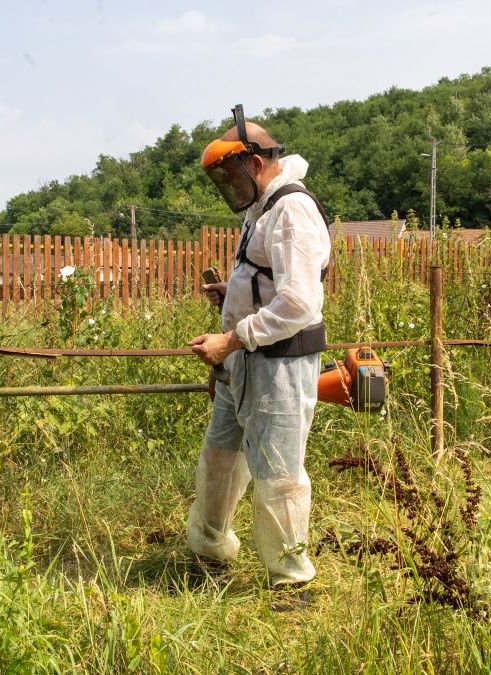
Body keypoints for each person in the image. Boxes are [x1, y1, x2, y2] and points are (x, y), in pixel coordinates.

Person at [186, 106, 331, 590]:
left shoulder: (292, 209)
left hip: (280, 364)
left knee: (278, 473)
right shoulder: (261, 208)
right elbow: (271, 284)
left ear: (256, 161)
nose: (228, 182)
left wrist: (229, 339)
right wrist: (234, 295)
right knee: (221, 455)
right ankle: (209, 548)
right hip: (243, 360)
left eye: (230, 172)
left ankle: (290, 580)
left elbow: (298, 302)